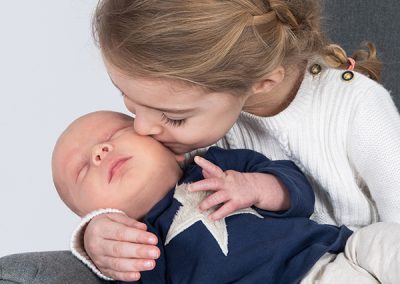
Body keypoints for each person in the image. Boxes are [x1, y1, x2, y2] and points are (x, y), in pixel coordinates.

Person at [71, 0, 400, 281]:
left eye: (173, 116)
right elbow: (143, 199)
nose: (141, 129)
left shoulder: (358, 107)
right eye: (128, 101)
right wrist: (95, 235)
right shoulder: (192, 128)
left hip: (362, 255)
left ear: (263, 81)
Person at [53, 110, 400, 284]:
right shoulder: (139, 245)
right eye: (82, 171)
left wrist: (254, 186)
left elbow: (299, 192)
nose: (99, 152)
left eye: (115, 133)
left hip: (338, 250)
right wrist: (96, 240)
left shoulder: (215, 165)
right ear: (94, 214)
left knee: (384, 240)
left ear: (168, 146)